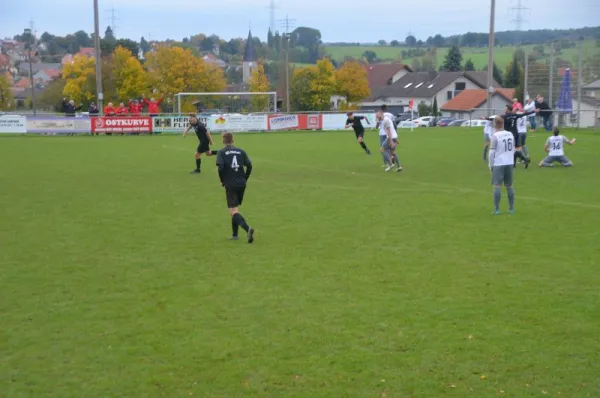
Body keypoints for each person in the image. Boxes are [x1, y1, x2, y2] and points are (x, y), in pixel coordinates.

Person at [216, 132, 255, 243]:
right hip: (241, 183)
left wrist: (222, 180)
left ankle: (248, 229)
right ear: (233, 140)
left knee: (233, 211)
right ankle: (234, 235)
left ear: (223, 141)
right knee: (235, 208)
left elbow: (220, 168)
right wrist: (245, 178)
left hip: (230, 184)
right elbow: (250, 166)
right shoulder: (241, 151)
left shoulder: (221, 152)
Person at [488, 116, 516, 215]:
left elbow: (491, 152)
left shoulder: (495, 136)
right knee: (509, 185)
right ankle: (511, 209)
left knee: (497, 186)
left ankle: (497, 209)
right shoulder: (510, 134)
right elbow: (513, 148)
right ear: (503, 124)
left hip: (499, 163)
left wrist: (490, 164)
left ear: (495, 124)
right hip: (509, 163)